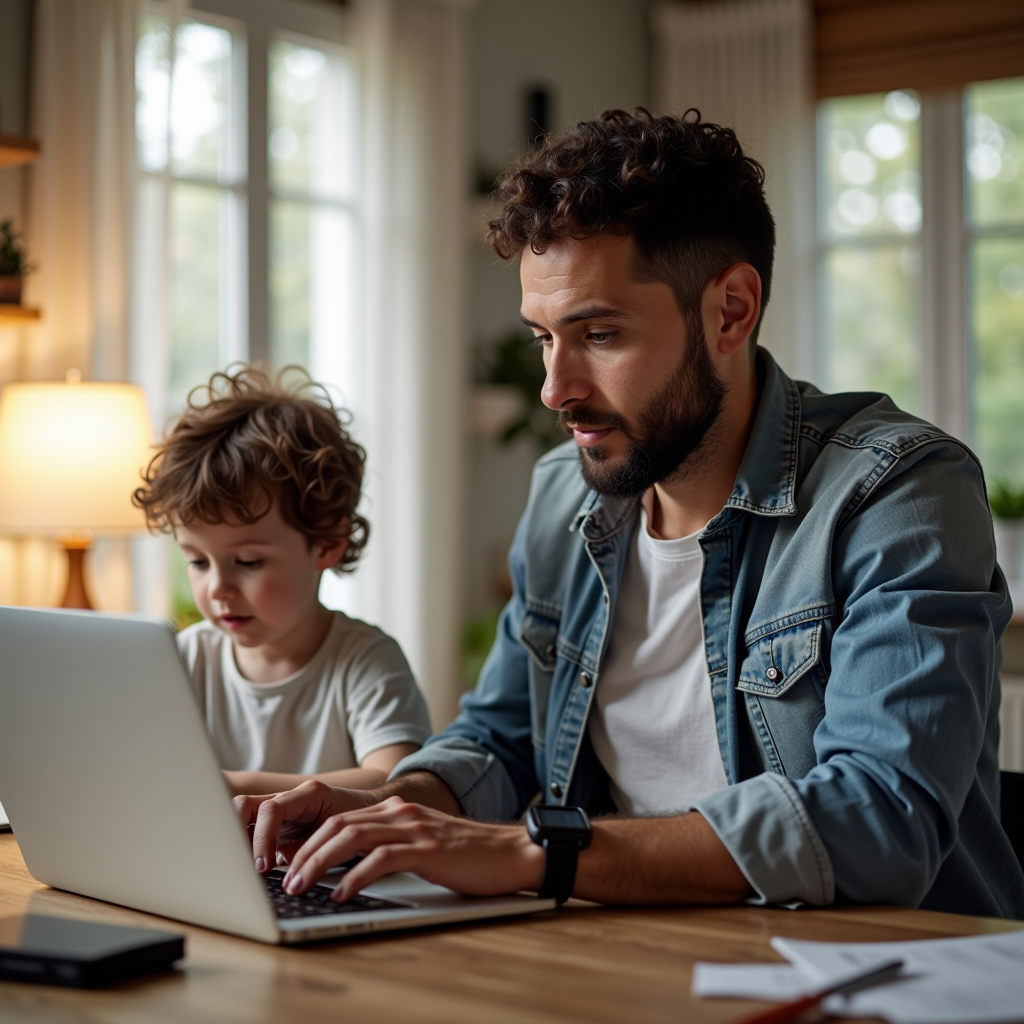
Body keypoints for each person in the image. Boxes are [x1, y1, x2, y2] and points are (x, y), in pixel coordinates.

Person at [235, 109, 1024, 918]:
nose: (555, 387)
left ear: (731, 311)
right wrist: (391, 810)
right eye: (544, 337)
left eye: (599, 334)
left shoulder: (898, 492)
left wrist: (535, 853)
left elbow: (878, 820)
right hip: (624, 957)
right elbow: (500, 737)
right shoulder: (563, 494)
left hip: (873, 979)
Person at [133, 367, 432, 798]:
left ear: (328, 543)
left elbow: (393, 780)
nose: (218, 588)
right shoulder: (187, 658)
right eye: (197, 561)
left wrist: (241, 787)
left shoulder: (366, 661)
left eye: (248, 561)